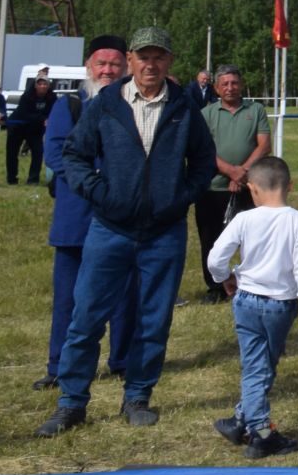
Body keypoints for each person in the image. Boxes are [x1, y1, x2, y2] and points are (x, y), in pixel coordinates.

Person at [38, 26, 217, 436]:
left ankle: (137, 396)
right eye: (143, 57)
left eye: (159, 57)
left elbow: (204, 163)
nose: (151, 64)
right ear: (131, 61)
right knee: (86, 317)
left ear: (169, 62)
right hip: (109, 228)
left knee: (153, 320)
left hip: (164, 232)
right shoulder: (106, 104)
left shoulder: (185, 107)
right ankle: (71, 403)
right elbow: (74, 157)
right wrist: (102, 195)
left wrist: (181, 196)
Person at [36, 35, 140, 390]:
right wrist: (97, 183)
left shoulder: (135, 106)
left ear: (126, 67)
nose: (108, 70)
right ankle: (59, 365)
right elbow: (56, 155)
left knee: (125, 295)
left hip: (122, 220)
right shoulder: (70, 107)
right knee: (69, 297)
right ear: (89, 67)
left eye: (114, 64)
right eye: (102, 64)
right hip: (76, 218)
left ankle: (123, 361)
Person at [208, 154, 298, 458]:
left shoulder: (244, 219)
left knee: (257, 364)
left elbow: (215, 258)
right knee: (259, 368)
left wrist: (225, 278)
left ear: (252, 189)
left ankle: (240, 419)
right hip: (279, 306)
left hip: (244, 301)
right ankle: (260, 432)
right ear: (291, 186)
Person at [196, 67, 271, 303]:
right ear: (216, 88)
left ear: (241, 85)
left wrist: (242, 174)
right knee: (211, 238)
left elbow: (263, 145)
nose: (230, 88)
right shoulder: (206, 113)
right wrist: (231, 172)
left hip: (250, 187)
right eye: (225, 84)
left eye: (234, 83)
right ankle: (216, 287)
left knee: (253, 238)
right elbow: (203, 150)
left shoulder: (256, 110)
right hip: (212, 188)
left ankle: (252, 284)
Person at [4, 74, 56, 185]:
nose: (42, 86)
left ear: (48, 85)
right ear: (35, 85)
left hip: (35, 129)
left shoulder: (52, 97)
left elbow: (53, 111)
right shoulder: (27, 96)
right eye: (40, 84)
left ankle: (33, 179)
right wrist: (43, 118)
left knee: (38, 152)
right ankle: (12, 179)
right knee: (12, 153)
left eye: (45, 84)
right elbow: (24, 113)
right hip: (17, 126)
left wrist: (49, 119)